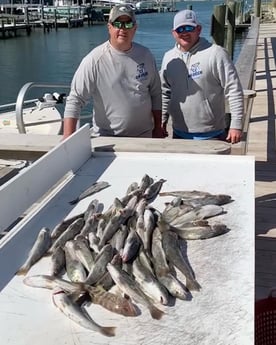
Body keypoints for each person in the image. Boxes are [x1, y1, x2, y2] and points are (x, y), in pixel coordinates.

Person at [63, 5, 163, 139]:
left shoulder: (146, 54)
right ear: (109, 27)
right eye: (118, 24)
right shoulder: (94, 60)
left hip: (144, 136)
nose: (122, 29)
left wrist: (157, 128)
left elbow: (156, 93)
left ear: (135, 28)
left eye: (128, 24)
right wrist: (67, 137)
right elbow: (75, 99)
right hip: (108, 137)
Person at [160, 9, 244, 144]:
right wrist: (162, 120)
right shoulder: (168, 57)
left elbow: (233, 90)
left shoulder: (216, 53)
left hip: (212, 134)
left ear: (198, 29)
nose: (185, 33)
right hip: (178, 134)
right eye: (180, 29)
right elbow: (165, 93)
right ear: (174, 33)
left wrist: (236, 124)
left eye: (189, 28)